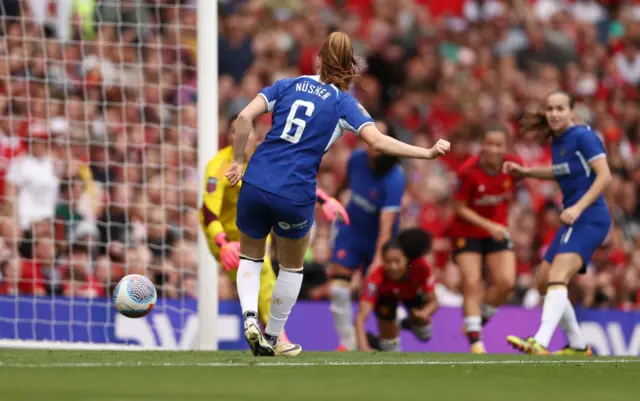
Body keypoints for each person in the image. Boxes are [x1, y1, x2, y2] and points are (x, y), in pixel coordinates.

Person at [225, 31, 450, 357]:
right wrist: (426, 153)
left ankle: (248, 318)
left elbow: (244, 117)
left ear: (317, 60)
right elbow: (378, 142)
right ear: (349, 67)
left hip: (257, 179)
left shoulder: (287, 84)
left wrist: (236, 159)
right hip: (295, 191)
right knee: (290, 267)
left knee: (251, 256)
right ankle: (273, 337)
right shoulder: (345, 103)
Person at [200, 115, 349, 345]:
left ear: (254, 135)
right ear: (229, 136)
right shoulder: (219, 166)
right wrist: (222, 243)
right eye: (233, 131)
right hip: (225, 237)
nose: (240, 136)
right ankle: (277, 339)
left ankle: (266, 336)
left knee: (266, 276)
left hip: (256, 228)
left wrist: (323, 198)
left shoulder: (265, 156)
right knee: (264, 276)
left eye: (245, 131)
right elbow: (209, 212)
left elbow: (293, 181)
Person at [505, 90, 610, 355]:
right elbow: (560, 172)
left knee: (557, 276)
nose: (553, 113)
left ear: (571, 111)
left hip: (590, 217)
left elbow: (605, 176)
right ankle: (577, 345)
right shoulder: (558, 141)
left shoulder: (584, 137)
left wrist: (578, 207)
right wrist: (528, 171)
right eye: (550, 109)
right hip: (573, 219)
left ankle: (539, 341)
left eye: (560, 108)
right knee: (543, 281)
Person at [329, 120, 406, 352]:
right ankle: (347, 343)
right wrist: (331, 200)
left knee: (382, 299)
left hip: (379, 241)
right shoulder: (356, 159)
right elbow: (345, 183)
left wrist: (378, 259)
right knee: (339, 289)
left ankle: (393, 344)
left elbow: (386, 225)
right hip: (352, 231)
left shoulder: (395, 177)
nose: (372, 139)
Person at [452, 124, 521, 354]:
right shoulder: (468, 172)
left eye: (498, 144)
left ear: (506, 147)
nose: (493, 149)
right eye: (489, 143)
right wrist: (489, 225)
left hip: (497, 232)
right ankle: (476, 343)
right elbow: (459, 208)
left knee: (506, 282)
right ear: (482, 145)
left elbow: (516, 190)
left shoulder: (513, 166)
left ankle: (476, 322)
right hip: (468, 233)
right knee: (472, 282)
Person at [355, 228, 438, 352]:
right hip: (386, 300)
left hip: (412, 298)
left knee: (425, 334)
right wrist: (363, 347)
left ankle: (405, 322)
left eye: (397, 261)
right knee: (392, 347)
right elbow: (361, 317)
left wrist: (423, 314)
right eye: (388, 262)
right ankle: (376, 340)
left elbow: (434, 302)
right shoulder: (375, 278)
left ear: (407, 260)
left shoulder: (421, 268)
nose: (393, 267)